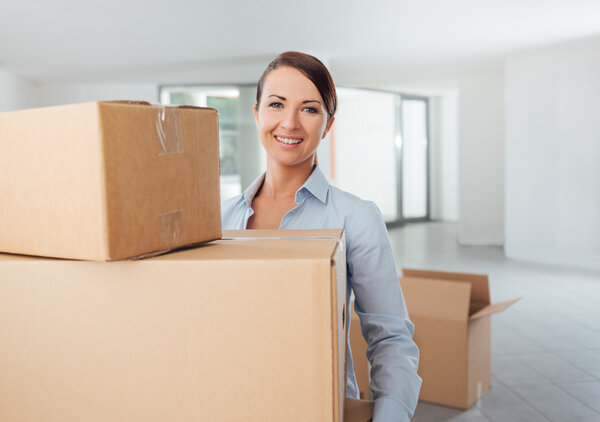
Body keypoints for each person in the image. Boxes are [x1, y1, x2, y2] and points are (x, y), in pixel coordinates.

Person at [221, 51, 421, 422]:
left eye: (310, 109)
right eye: (277, 104)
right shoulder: (220, 218)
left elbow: (391, 339)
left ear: (328, 125)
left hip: (318, 408)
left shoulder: (356, 217)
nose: (290, 122)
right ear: (256, 114)